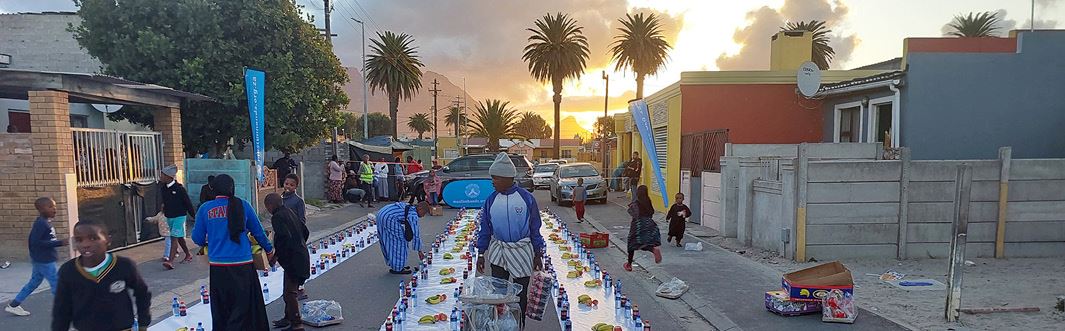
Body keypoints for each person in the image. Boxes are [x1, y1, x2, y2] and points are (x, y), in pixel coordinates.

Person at [192, 174, 274, 330]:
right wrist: (269, 250)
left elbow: (197, 238)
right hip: (243, 265)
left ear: (212, 189)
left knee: (222, 307)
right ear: (232, 188)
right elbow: (258, 233)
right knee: (244, 306)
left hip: (218, 266)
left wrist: (211, 239)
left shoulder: (205, 209)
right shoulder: (244, 205)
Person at [475, 153, 544, 329]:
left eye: (495, 178)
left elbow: (535, 228)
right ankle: (501, 326)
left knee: (520, 295)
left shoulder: (526, 198)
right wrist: (481, 254)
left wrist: (538, 254)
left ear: (507, 177)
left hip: (522, 251)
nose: (493, 182)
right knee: (499, 295)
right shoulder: (491, 200)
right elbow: (485, 229)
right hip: (499, 251)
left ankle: (519, 325)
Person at [52, 220, 151, 331]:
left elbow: (142, 293)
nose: (85, 244)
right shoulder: (68, 271)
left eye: (93, 238)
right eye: (79, 240)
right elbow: (61, 308)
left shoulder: (123, 266)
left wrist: (143, 323)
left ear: (107, 240)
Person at [5, 197, 68, 317]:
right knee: (56, 283)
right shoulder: (41, 224)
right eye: (50, 207)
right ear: (41, 209)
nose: (54, 209)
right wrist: (60, 243)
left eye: (54, 206)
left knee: (34, 282)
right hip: (44, 260)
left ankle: (14, 305)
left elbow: (41, 241)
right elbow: (35, 242)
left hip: (42, 259)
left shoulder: (45, 222)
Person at [264, 194, 310, 331]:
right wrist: (300, 244)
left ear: (271, 206)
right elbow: (305, 231)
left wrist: (275, 256)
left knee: (290, 293)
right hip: (300, 255)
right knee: (288, 289)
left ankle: (296, 323)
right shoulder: (290, 211)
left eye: (267, 207)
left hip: (293, 259)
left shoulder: (277, 217)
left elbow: (283, 238)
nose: (267, 210)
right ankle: (288, 317)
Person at [375, 201, 429, 274]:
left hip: (381, 214)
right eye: (424, 213)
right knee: (399, 242)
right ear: (420, 209)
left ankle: (395, 263)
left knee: (387, 239)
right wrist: (419, 250)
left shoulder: (410, 207)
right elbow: (416, 233)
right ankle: (398, 267)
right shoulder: (413, 215)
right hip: (389, 218)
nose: (423, 216)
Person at [159, 165, 196, 270]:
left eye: (163, 175)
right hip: (169, 216)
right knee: (179, 237)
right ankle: (188, 254)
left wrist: (194, 216)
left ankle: (170, 261)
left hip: (179, 216)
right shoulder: (163, 189)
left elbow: (187, 203)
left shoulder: (179, 189)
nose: (161, 177)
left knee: (173, 237)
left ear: (169, 176)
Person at [624, 185, 662, 272]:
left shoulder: (636, 202)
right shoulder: (648, 201)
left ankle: (629, 264)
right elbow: (652, 212)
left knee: (632, 244)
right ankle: (653, 249)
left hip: (638, 225)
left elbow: (633, 214)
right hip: (649, 223)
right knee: (644, 242)